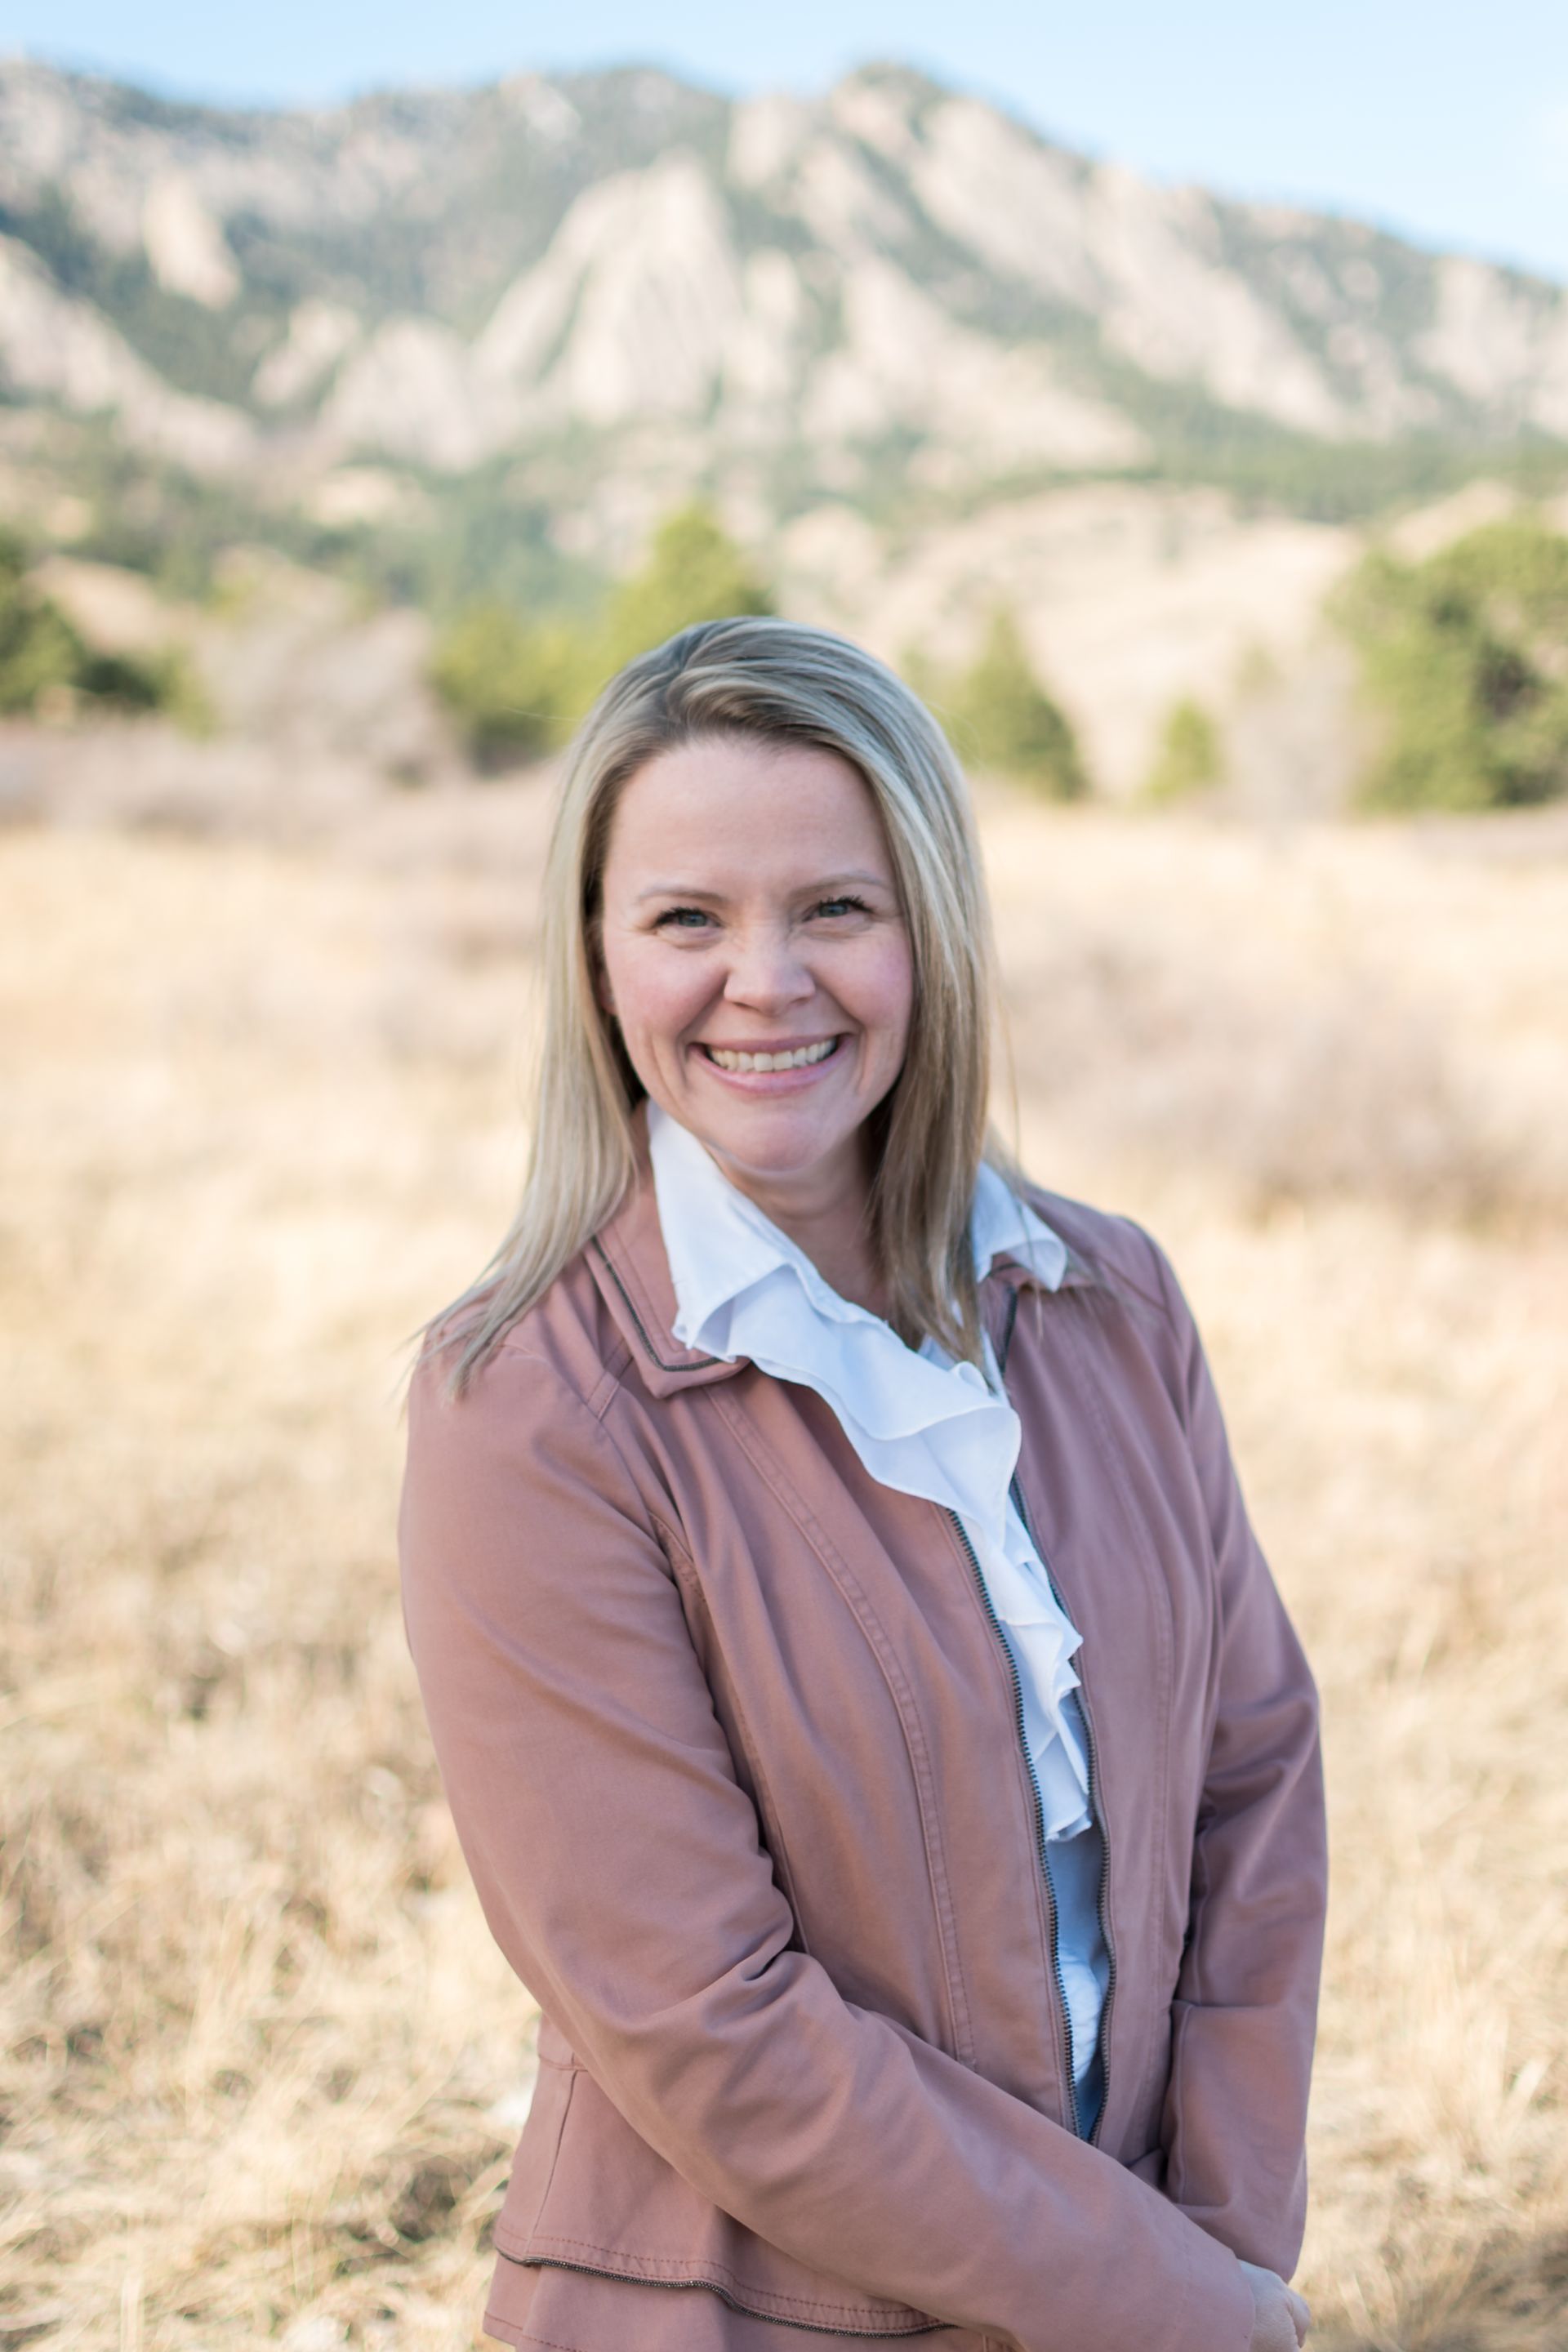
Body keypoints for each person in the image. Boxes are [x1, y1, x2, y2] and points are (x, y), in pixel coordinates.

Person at [399, 617, 1326, 2352]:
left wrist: (1219, 2239)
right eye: (688, 917)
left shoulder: (1110, 1301)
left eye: (837, 906)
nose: (768, 981)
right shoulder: (525, 1404)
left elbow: (1254, 1771)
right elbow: (702, 2017)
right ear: (597, 962)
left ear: (934, 935)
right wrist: (1148, 2302)